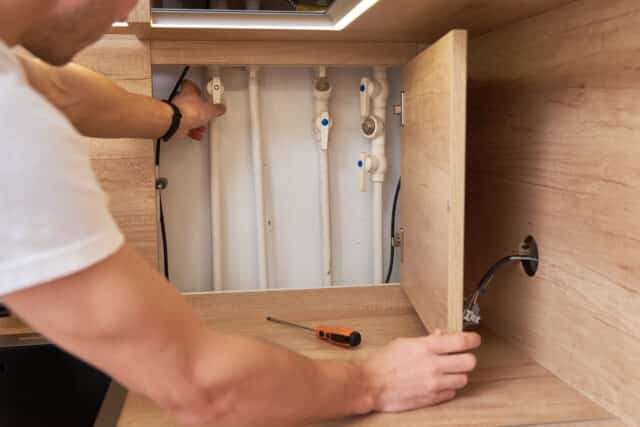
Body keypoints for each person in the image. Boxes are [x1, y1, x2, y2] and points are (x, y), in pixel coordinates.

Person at [0, 1, 481, 426]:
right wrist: (371, 383)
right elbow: (205, 387)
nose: (126, 13)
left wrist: (177, 117)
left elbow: (62, 91)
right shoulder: (10, 122)